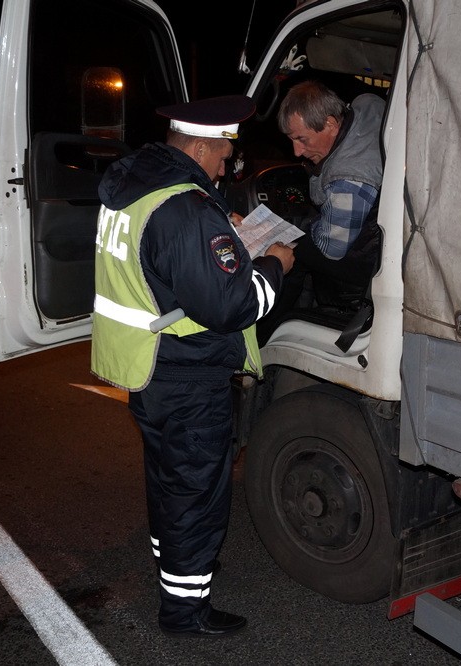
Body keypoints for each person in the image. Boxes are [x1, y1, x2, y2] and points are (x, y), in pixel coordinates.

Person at [91, 95, 294, 637]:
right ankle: (185, 610)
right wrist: (274, 263)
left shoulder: (136, 189)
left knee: (170, 480)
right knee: (197, 492)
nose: (226, 167)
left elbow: (164, 263)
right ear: (201, 146)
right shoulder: (184, 208)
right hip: (187, 374)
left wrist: (219, 232)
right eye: (224, 155)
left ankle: (179, 564)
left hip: (147, 367)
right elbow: (232, 305)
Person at [256, 80, 385, 345]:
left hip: (364, 275)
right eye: (292, 140)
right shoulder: (366, 105)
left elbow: (330, 248)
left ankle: (265, 336)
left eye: (302, 139)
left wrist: (293, 235)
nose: (297, 152)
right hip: (375, 238)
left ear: (330, 124)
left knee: (292, 251)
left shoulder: (349, 180)